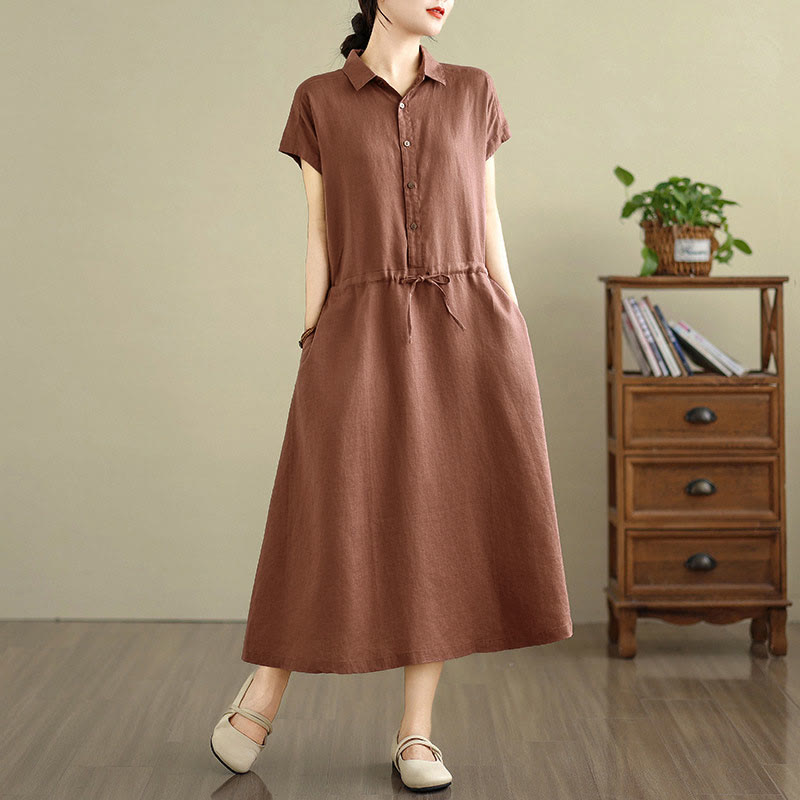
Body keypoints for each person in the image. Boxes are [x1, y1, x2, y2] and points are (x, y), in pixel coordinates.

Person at [210, 0, 573, 791]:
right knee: (326, 509)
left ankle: (416, 732)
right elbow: (319, 234)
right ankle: (263, 691)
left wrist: (512, 331)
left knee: (438, 523)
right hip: (358, 322)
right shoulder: (318, 100)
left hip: (468, 326)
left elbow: (488, 220)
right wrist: (314, 338)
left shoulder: (474, 91)